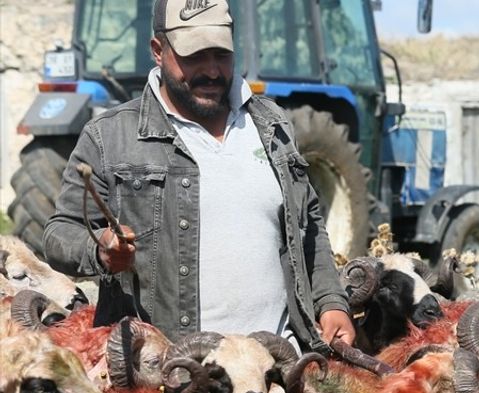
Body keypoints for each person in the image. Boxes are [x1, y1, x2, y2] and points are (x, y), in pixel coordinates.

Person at [33, 0, 354, 350]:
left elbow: (308, 224)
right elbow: (59, 233)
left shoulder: (271, 124)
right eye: (195, 56)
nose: (212, 70)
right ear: (158, 50)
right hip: (171, 372)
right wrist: (101, 250)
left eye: (222, 54)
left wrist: (330, 301)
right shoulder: (109, 137)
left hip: (276, 364)